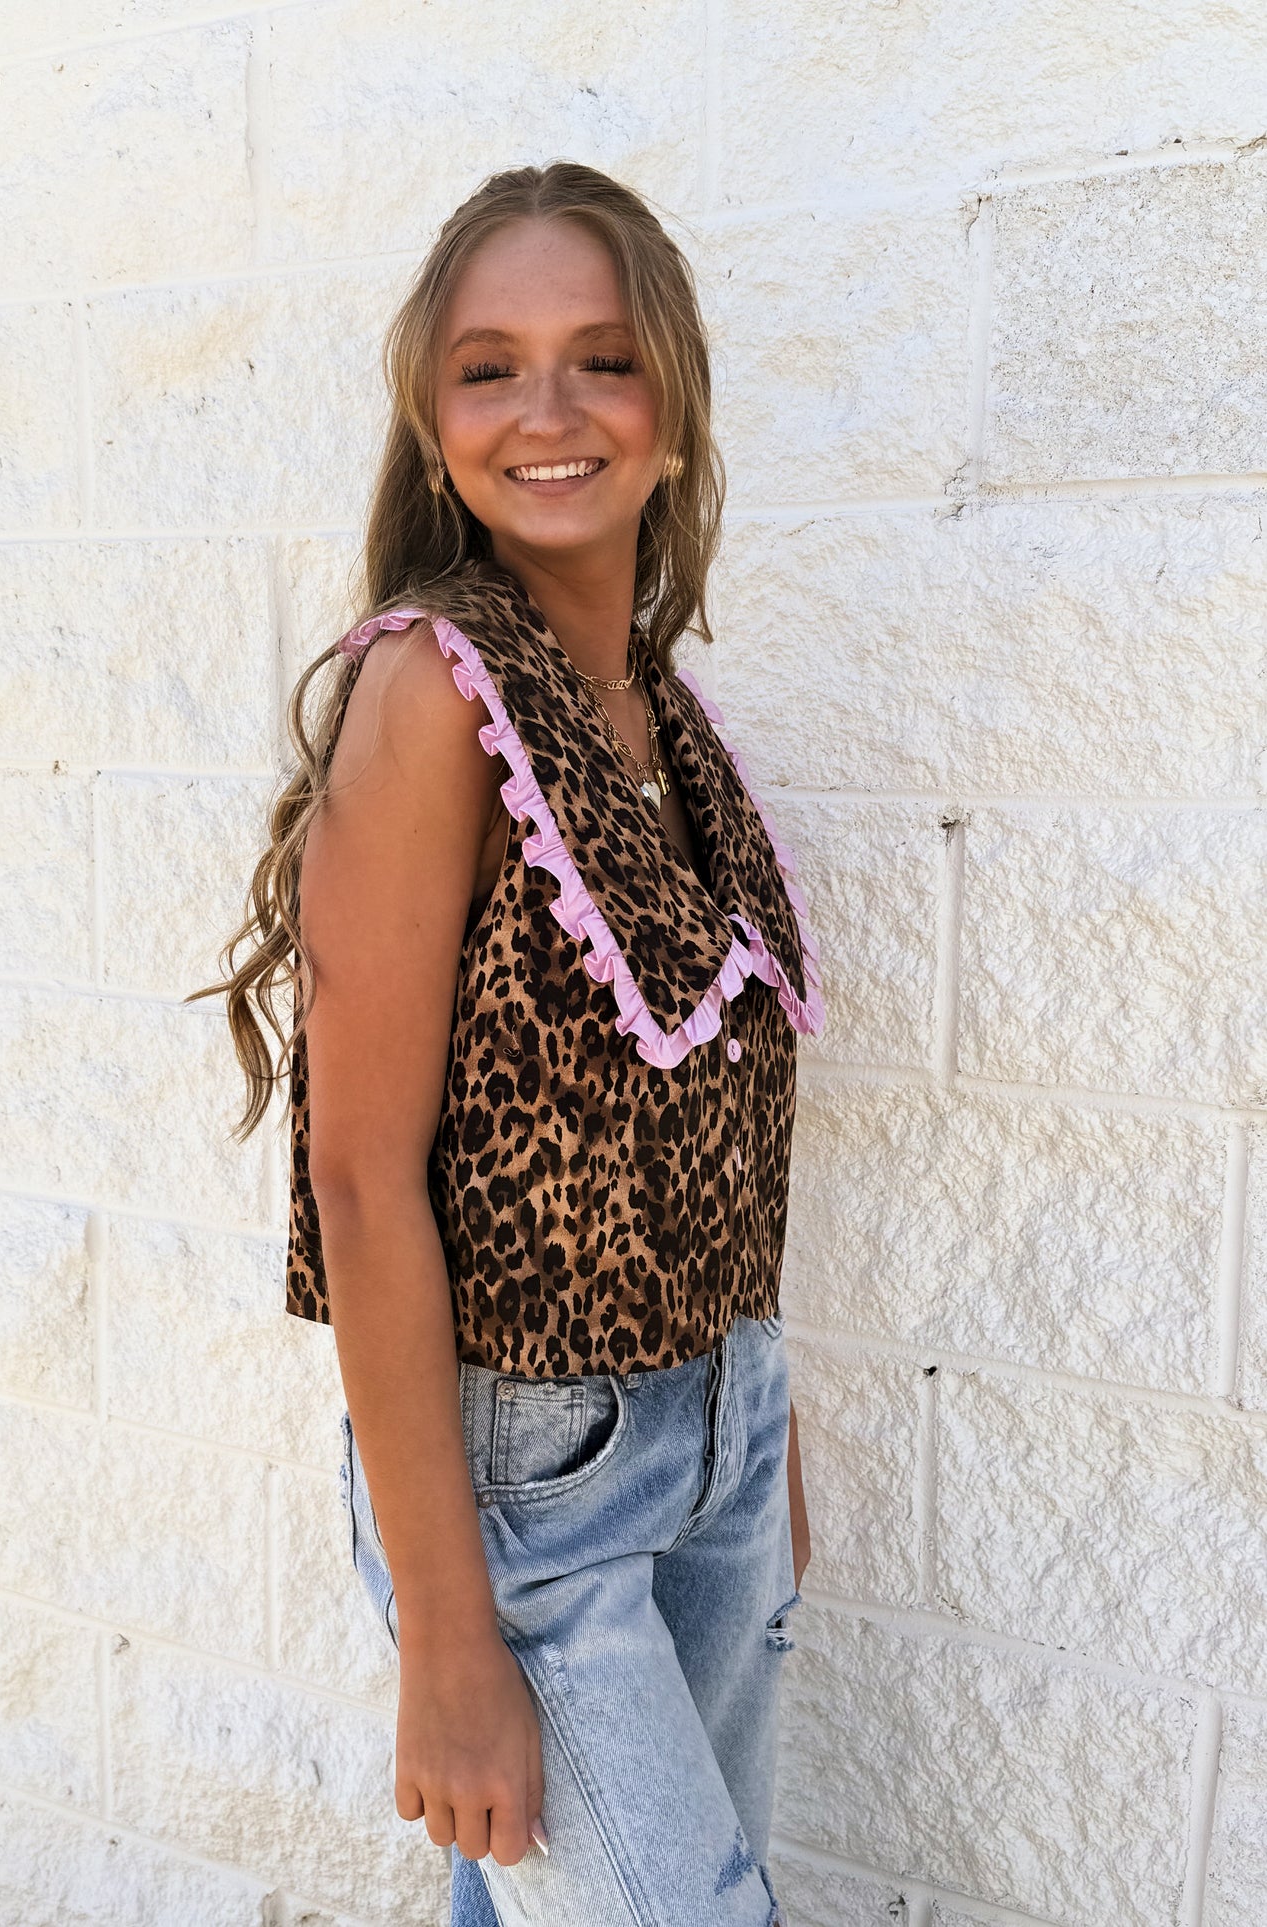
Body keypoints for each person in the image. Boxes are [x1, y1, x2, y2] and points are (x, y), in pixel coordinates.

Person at [204, 160, 824, 1927]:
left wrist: (763, 1426)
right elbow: (358, 1173)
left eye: (600, 359)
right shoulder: (432, 687)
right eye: (488, 369)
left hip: (717, 1438)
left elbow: (705, 1121)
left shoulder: (659, 706)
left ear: (672, 411)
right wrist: (446, 1635)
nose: (546, 411)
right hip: (527, 1488)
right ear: (433, 420)